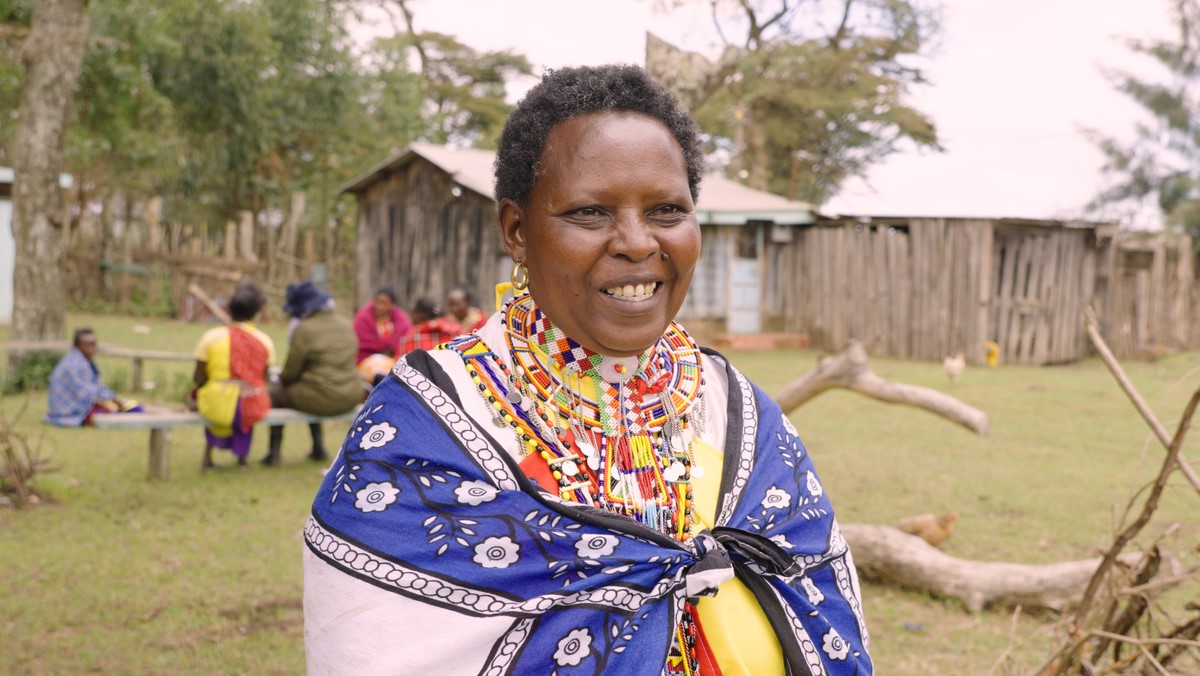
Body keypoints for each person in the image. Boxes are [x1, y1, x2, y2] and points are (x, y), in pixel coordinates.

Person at [303, 65, 872, 674]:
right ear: (517, 230)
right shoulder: (428, 424)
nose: (635, 241)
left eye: (667, 210)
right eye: (591, 213)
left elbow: (822, 607)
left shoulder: (739, 413)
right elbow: (370, 645)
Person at [262, 280, 362, 466]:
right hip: (350, 395)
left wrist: (280, 380)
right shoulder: (346, 325)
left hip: (321, 398)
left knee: (277, 392)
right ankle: (318, 447)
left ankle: (273, 453)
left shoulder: (304, 330)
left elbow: (290, 373)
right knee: (310, 388)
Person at [191, 282, 276, 470]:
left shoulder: (211, 337)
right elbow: (265, 378)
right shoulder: (265, 341)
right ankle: (242, 459)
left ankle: (208, 456)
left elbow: (198, 377)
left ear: (229, 309)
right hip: (251, 402)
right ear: (257, 312)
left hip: (216, 403)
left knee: (215, 397)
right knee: (247, 399)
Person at [44, 328, 142, 426]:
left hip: (82, 408)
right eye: (88, 344)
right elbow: (87, 396)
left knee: (134, 408)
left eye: (94, 344)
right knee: (126, 412)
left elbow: (98, 389)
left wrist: (117, 400)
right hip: (71, 413)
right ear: (78, 345)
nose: (92, 348)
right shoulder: (74, 364)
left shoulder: (84, 360)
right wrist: (112, 405)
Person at [352, 284, 413, 365]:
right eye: (377, 302)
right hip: (367, 358)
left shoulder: (402, 319)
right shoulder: (363, 317)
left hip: (395, 359)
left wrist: (391, 349)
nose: (379, 306)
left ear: (392, 304)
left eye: (384, 303)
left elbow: (405, 339)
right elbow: (362, 342)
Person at [395, 296, 463, 356]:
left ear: (420, 316)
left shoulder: (411, 337)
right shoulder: (455, 332)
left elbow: (399, 365)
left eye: (413, 313)